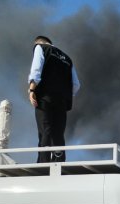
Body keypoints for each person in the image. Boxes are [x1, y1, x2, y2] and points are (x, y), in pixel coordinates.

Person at [28, 35, 80, 163]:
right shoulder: (67, 59)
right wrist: (65, 95)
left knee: (45, 130)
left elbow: (36, 69)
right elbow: (76, 84)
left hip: (45, 97)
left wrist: (32, 89)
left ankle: (43, 165)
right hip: (62, 101)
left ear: (39, 42)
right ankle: (59, 163)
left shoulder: (40, 48)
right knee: (58, 134)